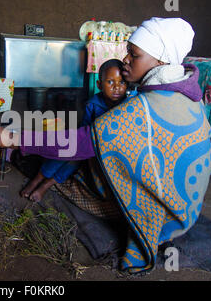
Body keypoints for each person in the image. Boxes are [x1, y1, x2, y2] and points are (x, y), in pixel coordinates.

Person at [0, 17, 211, 274]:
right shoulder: (187, 95)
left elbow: (80, 144)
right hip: (189, 204)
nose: (126, 59)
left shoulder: (142, 108)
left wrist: (14, 138)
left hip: (165, 214)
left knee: (87, 165)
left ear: (160, 60)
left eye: (134, 54)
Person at [20, 59, 135, 202]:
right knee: (64, 153)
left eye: (122, 82)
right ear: (99, 85)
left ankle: (47, 185)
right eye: (110, 82)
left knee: (73, 163)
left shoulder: (128, 105)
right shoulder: (93, 105)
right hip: (87, 143)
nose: (117, 87)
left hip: (105, 150)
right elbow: (83, 130)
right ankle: (37, 180)